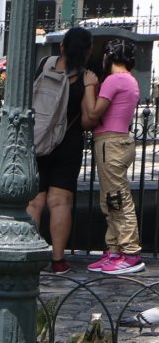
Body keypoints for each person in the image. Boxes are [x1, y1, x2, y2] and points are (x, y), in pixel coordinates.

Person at [26, 27, 95, 275]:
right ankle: (57, 260)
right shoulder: (86, 78)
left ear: (62, 46)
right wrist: (90, 87)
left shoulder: (44, 64)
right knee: (60, 201)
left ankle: (30, 256)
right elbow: (88, 121)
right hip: (68, 143)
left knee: (35, 201)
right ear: (88, 51)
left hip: (37, 139)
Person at [86, 38, 144, 274]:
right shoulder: (130, 80)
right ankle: (115, 249)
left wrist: (90, 86)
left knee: (117, 198)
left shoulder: (113, 80)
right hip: (117, 141)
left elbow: (94, 113)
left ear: (108, 56)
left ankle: (129, 252)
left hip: (110, 142)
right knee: (111, 198)